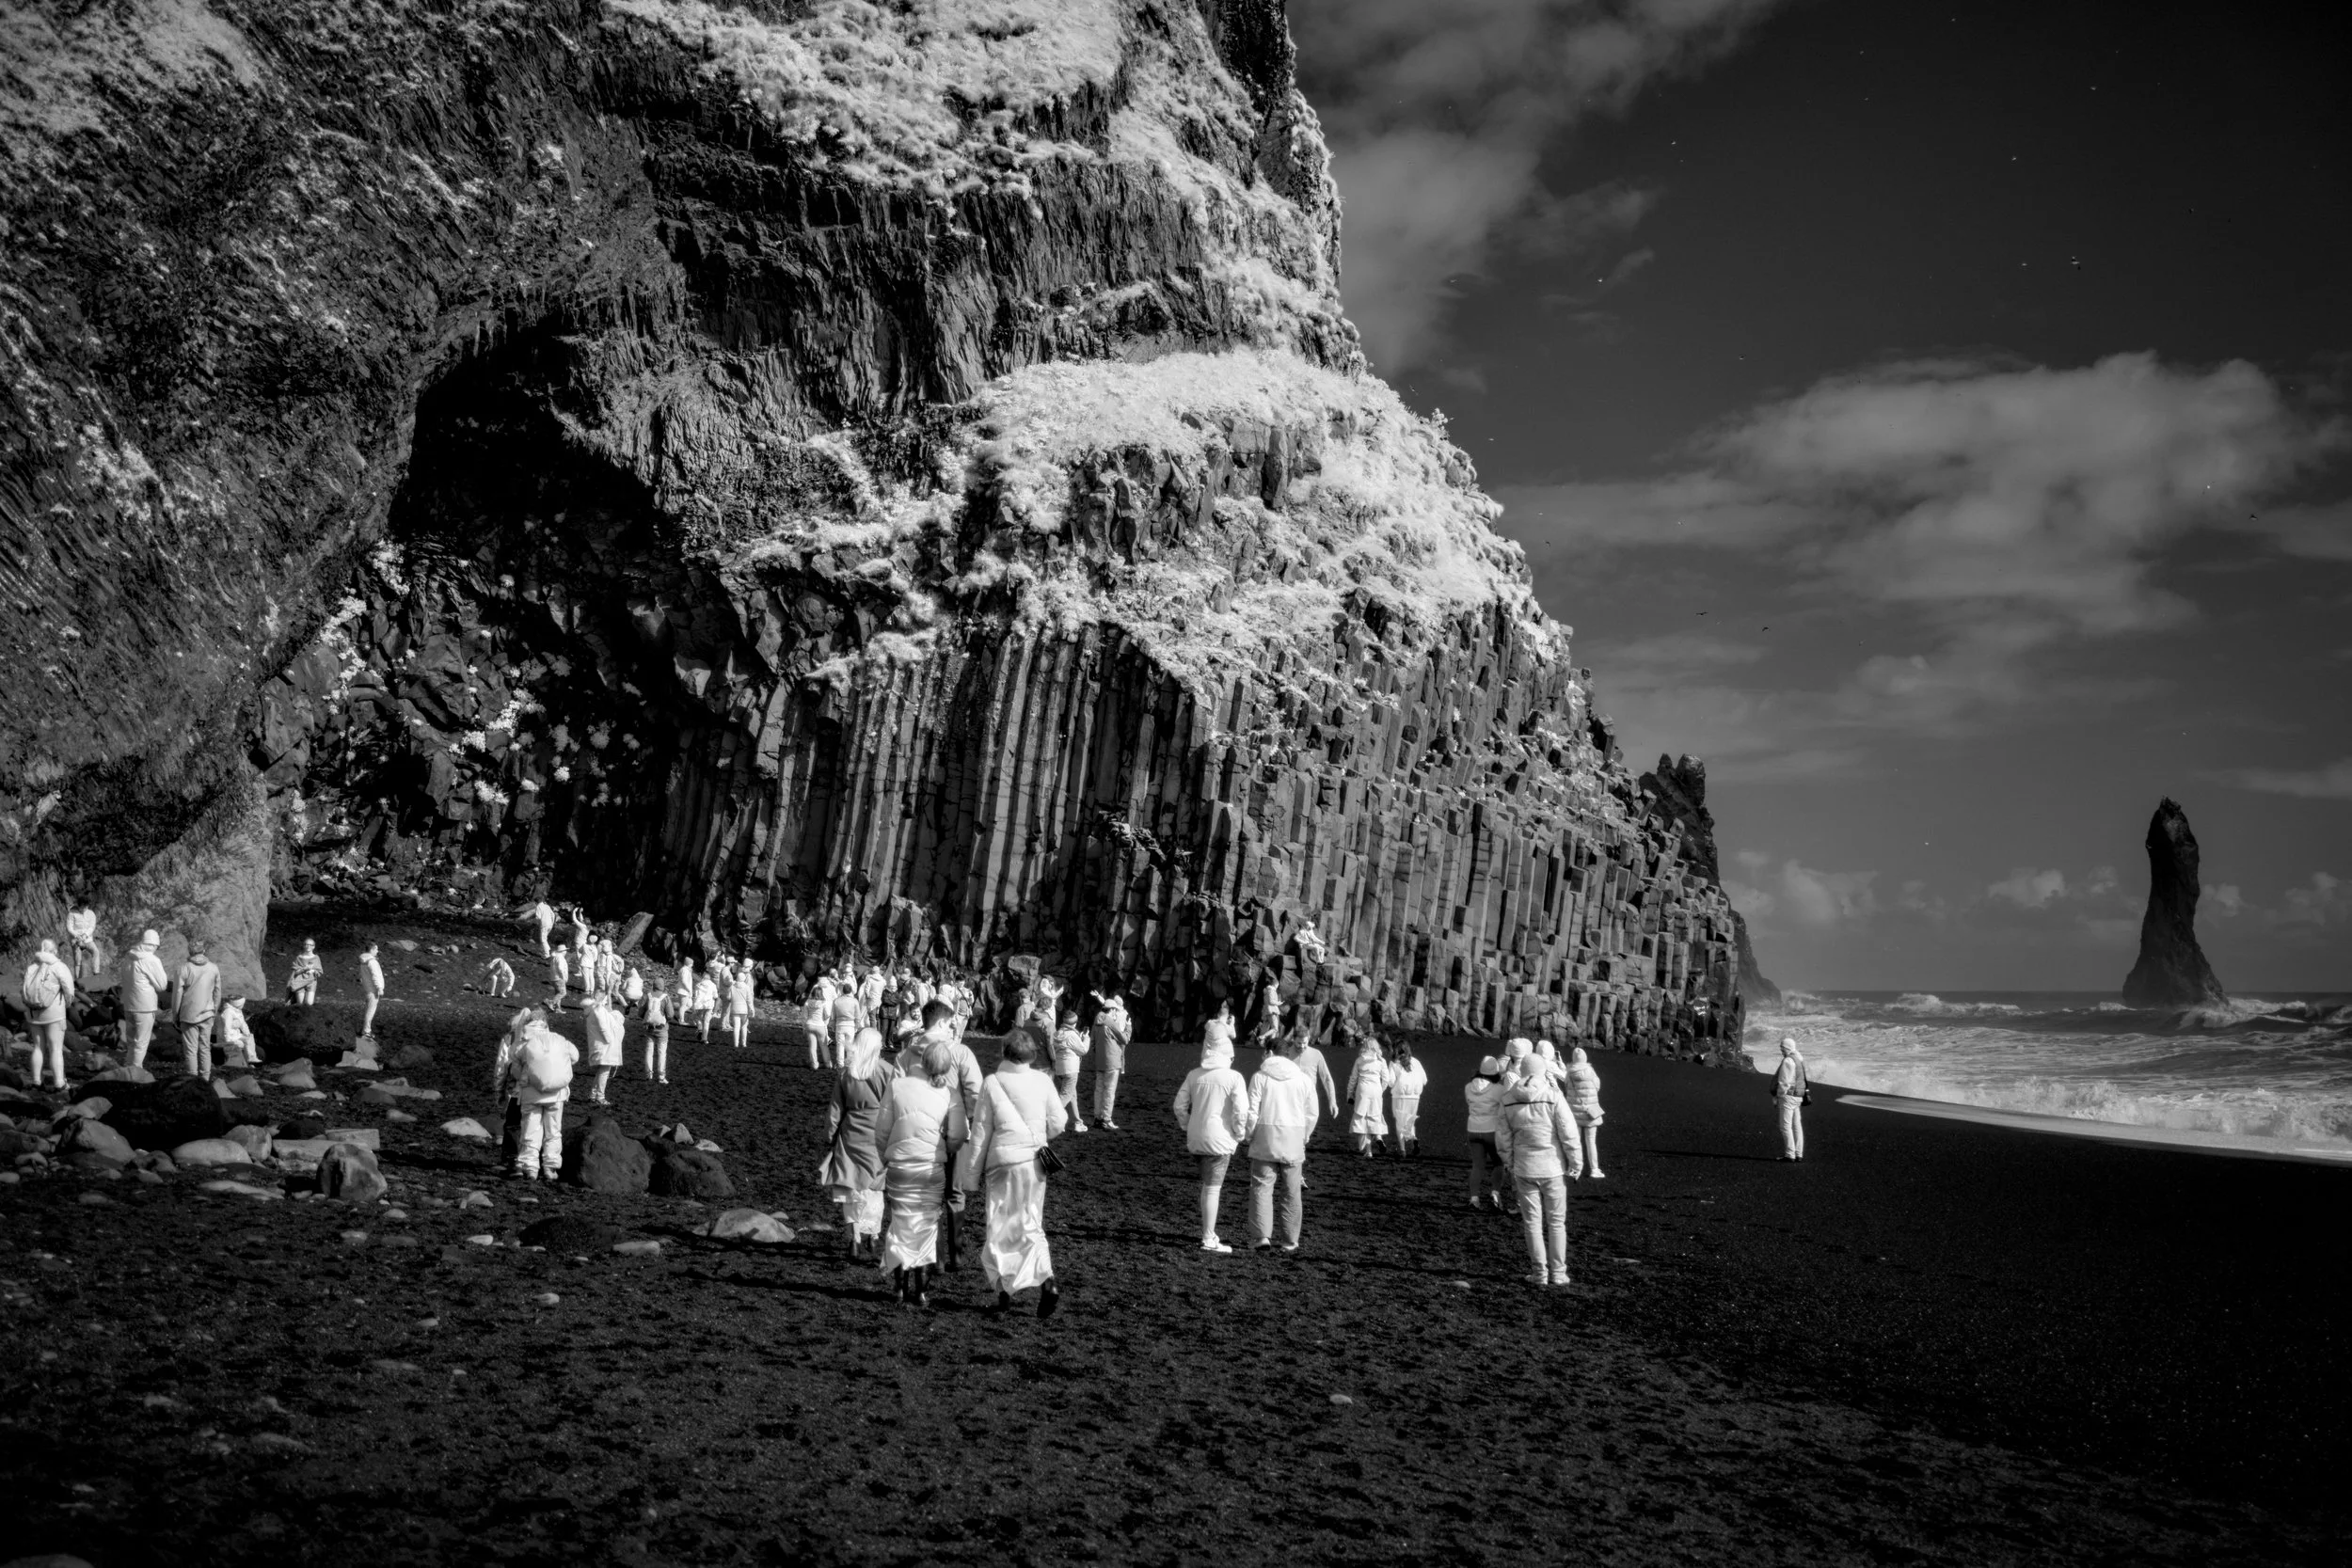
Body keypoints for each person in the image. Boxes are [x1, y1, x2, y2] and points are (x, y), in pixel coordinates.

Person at [962, 1029, 1068, 1316]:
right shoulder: (1043, 1080)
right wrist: (1040, 1136)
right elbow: (1059, 1121)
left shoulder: (992, 1082)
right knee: (1031, 1223)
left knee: (999, 1227)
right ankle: (1047, 1281)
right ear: (1032, 1054)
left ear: (1004, 1052)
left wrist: (970, 1176)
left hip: (1002, 1164)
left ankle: (1004, 1294)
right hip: (1034, 1162)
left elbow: (981, 1132)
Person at [875, 1037, 968, 1307]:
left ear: (922, 1061)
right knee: (927, 1226)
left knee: (901, 1223)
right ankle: (921, 1290)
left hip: (900, 1167)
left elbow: (882, 1131)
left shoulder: (897, 1086)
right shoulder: (950, 1094)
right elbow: (958, 1134)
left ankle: (899, 1287)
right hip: (931, 1168)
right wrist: (945, 1149)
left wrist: (885, 1156)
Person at [1494, 1054, 1582, 1287]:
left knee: (1532, 1223)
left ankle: (1539, 1273)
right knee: (1556, 1222)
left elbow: (1503, 1136)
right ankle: (1558, 1273)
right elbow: (1568, 1132)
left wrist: (1509, 1163)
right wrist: (1576, 1163)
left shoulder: (1508, 1099)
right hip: (1553, 1167)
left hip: (1524, 1168)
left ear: (1522, 1070)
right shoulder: (1553, 1096)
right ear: (1543, 1071)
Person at [1173, 1022, 1252, 1252]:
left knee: (1208, 1186)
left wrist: (1188, 1125)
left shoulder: (1194, 1075)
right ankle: (1208, 1237)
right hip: (1220, 1141)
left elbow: (1179, 1106)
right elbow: (1241, 1112)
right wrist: (1239, 1133)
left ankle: (1209, 1233)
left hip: (1196, 1138)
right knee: (1212, 1188)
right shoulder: (1234, 1077)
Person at [819, 1026, 898, 1260]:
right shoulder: (887, 1071)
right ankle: (873, 1235)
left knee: (850, 1186)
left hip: (851, 1134)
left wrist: (830, 1136)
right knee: (874, 1187)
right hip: (878, 1135)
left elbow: (836, 1109)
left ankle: (854, 1239)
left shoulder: (846, 1073)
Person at [1245, 1034, 1317, 1253]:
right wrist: (1304, 1135)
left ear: (1269, 1052)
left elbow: (1252, 1111)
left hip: (1265, 1137)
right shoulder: (1303, 1079)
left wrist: (1249, 1135)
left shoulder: (1260, 1077)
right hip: (1293, 1138)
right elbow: (1312, 1113)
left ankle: (1261, 1237)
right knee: (1292, 1191)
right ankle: (1290, 1240)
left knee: (1261, 1187)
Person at [495, 1008, 576, 1181]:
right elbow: (575, 1056)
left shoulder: (521, 1043)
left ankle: (529, 1168)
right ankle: (550, 1168)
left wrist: (523, 1079)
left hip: (529, 1095)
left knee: (529, 1131)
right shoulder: (558, 1039)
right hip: (556, 1094)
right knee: (553, 1132)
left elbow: (511, 1068)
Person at [19, 938, 75, 1091]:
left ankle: (36, 1081)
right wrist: (66, 1005)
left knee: (38, 1047)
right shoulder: (59, 966)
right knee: (56, 1049)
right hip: (54, 1013)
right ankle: (59, 1083)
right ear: (54, 951)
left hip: (33, 1013)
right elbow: (69, 991)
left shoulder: (31, 967)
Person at [171, 939, 223, 1078]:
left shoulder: (183, 968)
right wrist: (214, 1010)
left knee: (191, 1050)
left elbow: (177, 994)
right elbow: (217, 992)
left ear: (189, 951)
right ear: (204, 950)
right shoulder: (213, 968)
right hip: (208, 1013)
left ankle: (192, 1079)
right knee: (205, 1048)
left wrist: (175, 1014)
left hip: (188, 1014)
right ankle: (205, 1079)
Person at [119, 928, 168, 1072]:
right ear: (154, 945)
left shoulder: (128, 957)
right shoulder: (152, 960)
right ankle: (135, 1071)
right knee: (141, 1041)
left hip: (129, 1003)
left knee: (131, 1040)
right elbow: (162, 985)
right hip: (145, 1006)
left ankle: (127, 1067)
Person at [1464, 1055, 1509, 1211]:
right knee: (1498, 1163)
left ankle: (1474, 1199)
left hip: (1473, 1129)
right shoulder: (1499, 1089)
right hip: (1492, 1130)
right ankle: (1495, 1194)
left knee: (1477, 1166)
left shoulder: (1468, 1087)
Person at [1089, 990, 1131, 1130]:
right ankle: (1106, 1119)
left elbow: (1092, 1042)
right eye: (1115, 1010)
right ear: (1111, 1010)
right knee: (1109, 1091)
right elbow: (1124, 1039)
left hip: (1100, 1061)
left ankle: (1097, 1118)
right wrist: (1129, 1027)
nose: (1116, 1012)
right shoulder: (1111, 1022)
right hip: (1112, 1062)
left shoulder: (1096, 1021)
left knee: (1099, 1090)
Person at [1346, 1031, 1391, 1155]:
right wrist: (1380, 1090)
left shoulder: (1360, 1060)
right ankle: (1379, 1138)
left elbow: (1353, 1079)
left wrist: (1349, 1094)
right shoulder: (1381, 1061)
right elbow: (1386, 1079)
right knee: (1375, 1115)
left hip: (1363, 1090)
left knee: (1363, 1119)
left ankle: (1368, 1151)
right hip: (1376, 1089)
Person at [1565, 1045, 1606, 1179]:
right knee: (1591, 1141)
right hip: (1590, 1112)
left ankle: (1574, 1169)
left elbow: (1566, 1087)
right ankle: (1594, 1169)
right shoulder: (1591, 1071)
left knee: (1575, 1142)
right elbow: (1597, 1087)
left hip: (1574, 1113)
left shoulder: (1569, 1073)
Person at [1294, 1025, 1342, 1133]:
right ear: (1293, 1039)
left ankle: (1304, 1139)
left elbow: (1327, 1078)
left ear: (1309, 1039)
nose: (1302, 1046)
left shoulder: (1316, 1054)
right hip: (1291, 1098)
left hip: (1309, 1097)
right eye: (1299, 1043)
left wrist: (1332, 1101)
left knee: (1308, 1126)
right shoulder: (1286, 1053)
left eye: (1305, 1043)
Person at [1050, 1006, 1090, 1132]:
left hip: (1059, 1068)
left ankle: (1077, 1122)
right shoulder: (1072, 1035)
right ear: (1075, 1023)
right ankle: (1049, 1120)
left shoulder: (1057, 1033)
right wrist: (1086, 1038)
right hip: (1071, 1069)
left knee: (1072, 1096)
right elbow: (1083, 1050)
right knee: (1065, 1096)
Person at [582, 988, 625, 1103]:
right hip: (604, 1045)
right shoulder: (598, 1009)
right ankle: (600, 1097)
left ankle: (593, 1095)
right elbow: (603, 1027)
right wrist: (610, 1039)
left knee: (602, 1070)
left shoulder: (591, 1009)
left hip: (599, 1043)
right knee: (604, 1071)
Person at [1388, 1040, 1428, 1158]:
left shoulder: (1394, 1063)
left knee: (1400, 1122)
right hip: (1415, 1096)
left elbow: (1391, 1082)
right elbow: (1425, 1080)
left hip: (1400, 1096)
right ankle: (1413, 1138)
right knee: (1410, 1121)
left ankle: (1402, 1149)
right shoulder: (1416, 1062)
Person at [1773, 1037, 1809, 1161]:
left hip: (1788, 1096)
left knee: (1785, 1126)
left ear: (1787, 1048)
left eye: (1782, 1048)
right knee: (1797, 1126)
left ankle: (1790, 1154)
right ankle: (1799, 1154)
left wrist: (1778, 1096)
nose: (1781, 1051)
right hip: (1799, 1096)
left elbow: (1784, 1082)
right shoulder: (1799, 1058)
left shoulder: (1788, 1061)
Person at [218, 996, 258, 1070]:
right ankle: (241, 1062)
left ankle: (251, 1060)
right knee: (241, 1044)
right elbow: (227, 1028)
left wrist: (247, 1033)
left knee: (249, 1039)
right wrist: (228, 1042)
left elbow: (243, 1024)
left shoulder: (238, 1011)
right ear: (239, 1004)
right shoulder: (228, 1012)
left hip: (236, 1035)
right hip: (227, 1037)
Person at [642, 983, 672, 1085]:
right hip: (662, 1029)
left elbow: (640, 1013)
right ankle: (661, 1076)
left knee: (649, 1051)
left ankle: (648, 1074)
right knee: (662, 1053)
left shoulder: (647, 996)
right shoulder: (666, 998)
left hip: (649, 1028)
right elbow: (670, 1015)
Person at [358, 941, 386, 1037]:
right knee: (371, 1010)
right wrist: (380, 988)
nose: (377, 951)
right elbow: (375, 976)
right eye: (376, 949)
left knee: (368, 1009)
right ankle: (366, 1031)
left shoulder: (363, 961)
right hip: (373, 989)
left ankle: (365, 1030)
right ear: (372, 949)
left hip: (367, 988)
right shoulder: (372, 962)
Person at [725, 961, 755, 1051]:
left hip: (734, 1009)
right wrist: (752, 1009)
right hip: (744, 1010)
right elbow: (749, 1000)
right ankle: (744, 1043)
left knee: (736, 1027)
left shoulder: (732, 987)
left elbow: (728, 997)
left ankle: (736, 1044)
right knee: (744, 1027)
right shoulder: (747, 987)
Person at [65, 903, 100, 978]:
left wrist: (85, 935)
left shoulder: (91, 913)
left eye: (86, 907)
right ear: (79, 906)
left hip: (88, 940)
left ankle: (96, 973)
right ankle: (77, 979)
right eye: (83, 907)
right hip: (76, 940)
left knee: (96, 951)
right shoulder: (71, 913)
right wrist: (77, 936)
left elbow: (92, 927)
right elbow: (69, 928)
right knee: (78, 960)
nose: (84, 909)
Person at [286, 938, 324, 1006]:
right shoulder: (299, 958)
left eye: (310, 945)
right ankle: (294, 1001)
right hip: (299, 982)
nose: (308, 946)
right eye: (306, 944)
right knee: (300, 1003)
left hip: (311, 982)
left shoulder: (316, 958)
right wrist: (304, 969)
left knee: (309, 1003)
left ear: (314, 947)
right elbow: (295, 972)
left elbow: (320, 972)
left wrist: (313, 971)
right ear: (303, 946)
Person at [694, 966, 721, 1041]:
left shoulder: (698, 985)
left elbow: (695, 996)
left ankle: (700, 1029)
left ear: (703, 978)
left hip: (699, 1005)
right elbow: (716, 996)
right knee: (706, 1021)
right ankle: (705, 1038)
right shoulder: (713, 985)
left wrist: (694, 1005)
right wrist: (716, 1008)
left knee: (697, 1018)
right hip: (709, 1005)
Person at [547, 944, 571, 1011]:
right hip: (559, 978)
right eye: (565, 950)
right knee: (563, 993)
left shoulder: (555, 958)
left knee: (558, 993)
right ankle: (551, 1002)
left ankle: (557, 1008)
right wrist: (563, 977)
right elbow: (560, 968)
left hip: (553, 978)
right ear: (562, 951)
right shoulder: (560, 958)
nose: (566, 952)